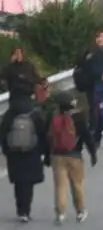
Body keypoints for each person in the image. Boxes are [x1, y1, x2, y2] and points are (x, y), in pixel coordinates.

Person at [47, 93, 95, 225]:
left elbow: (48, 139)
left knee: (60, 186)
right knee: (77, 185)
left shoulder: (54, 118)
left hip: (57, 156)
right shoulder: (78, 118)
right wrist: (93, 154)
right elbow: (87, 137)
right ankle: (80, 211)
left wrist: (47, 156)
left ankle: (61, 213)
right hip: (75, 156)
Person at [0, 95, 46, 223]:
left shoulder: (10, 114)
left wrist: (6, 150)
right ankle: (26, 210)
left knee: (18, 183)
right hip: (32, 153)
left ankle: (20, 209)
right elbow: (43, 134)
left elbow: (2, 134)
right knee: (28, 184)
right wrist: (44, 152)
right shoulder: (35, 114)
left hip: (14, 154)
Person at [71, 34, 103, 143]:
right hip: (93, 84)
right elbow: (87, 66)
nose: (101, 40)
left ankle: (95, 128)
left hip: (98, 85)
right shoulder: (92, 52)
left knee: (96, 107)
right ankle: (94, 130)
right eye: (98, 37)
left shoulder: (102, 51)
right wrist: (100, 74)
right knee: (95, 108)